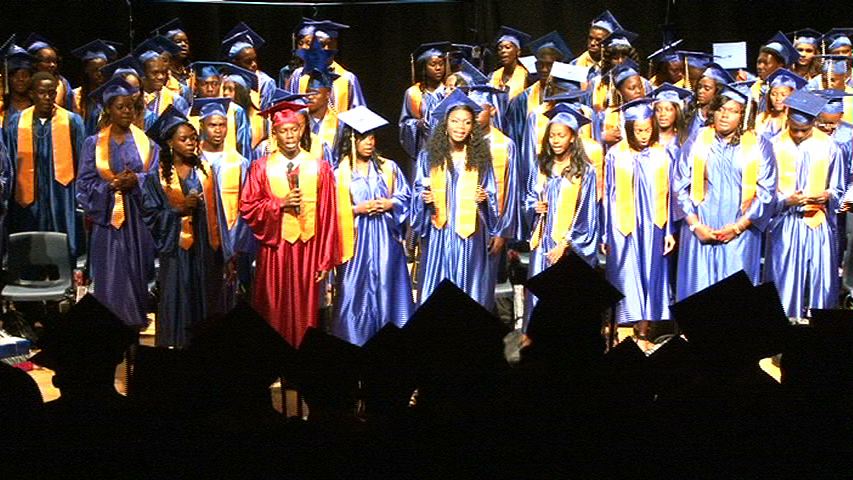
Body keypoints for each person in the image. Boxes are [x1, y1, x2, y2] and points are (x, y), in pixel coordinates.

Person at [239, 100, 340, 347]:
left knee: (305, 312)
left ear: (302, 129)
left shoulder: (319, 167)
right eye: (284, 130)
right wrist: (278, 204)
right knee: (273, 307)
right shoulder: (261, 168)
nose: (290, 135)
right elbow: (248, 207)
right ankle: (274, 360)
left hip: (308, 249)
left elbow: (328, 214)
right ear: (274, 133)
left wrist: (326, 258)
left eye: (294, 129)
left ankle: (300, 364)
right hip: (275, 248)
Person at [673, 82, 777, 300]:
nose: (724, 115)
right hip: (700, 229)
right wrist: (694, 225)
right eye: (720, 109)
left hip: (740, 232)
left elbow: (766, 192)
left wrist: (738, 227)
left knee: (735, 296)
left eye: (732, 111)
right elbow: (679, 183)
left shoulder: (760, 144)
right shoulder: (698, 138)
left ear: (744, 114)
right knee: (697, 294)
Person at [76, 76, 159, 328]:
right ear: (108, 110)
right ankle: (107, 318)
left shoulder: (147, 143)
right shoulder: (93, 143)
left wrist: (137, 181)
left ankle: (134, 317)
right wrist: (111, 185)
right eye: (120, 107)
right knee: (109, 267)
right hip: (107, 217)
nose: (126, 112)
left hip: (137, 216)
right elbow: (83, 184)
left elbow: (156, 179)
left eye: (130, 107)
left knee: (135, 266)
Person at [142, 106, 224, 347]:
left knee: (203, 300)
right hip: (175, 250)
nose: (191, 143)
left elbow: (217, 210)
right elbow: (150, 216)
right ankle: (175, 350)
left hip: (204, 249)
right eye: (184, 139)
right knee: (176, 298)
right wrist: (179, 209)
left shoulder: (205, 171)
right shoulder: (155, 178)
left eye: (193, 138)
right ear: (169, 143)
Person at [330, 106, 413, 346]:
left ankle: (391, 346)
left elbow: (405, 197)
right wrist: (357, 209)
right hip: (355, 243)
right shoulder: (339, 173)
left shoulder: (388, 168)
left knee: (388, 288)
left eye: (372, 137)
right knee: (354, 291)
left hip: (387, 240)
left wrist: (390, 203)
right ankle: (354, 343)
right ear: (351, 139)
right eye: (363, 137)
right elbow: (331, 211)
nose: (369, 142)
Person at [410, 89, 498, 308]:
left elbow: (492, 195)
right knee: (437, 289)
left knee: (469, 290)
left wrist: (485, 198)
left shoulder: (481, 157)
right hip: (439, 233)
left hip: (470, 236)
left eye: (467, 122)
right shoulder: (428, 156)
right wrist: (423, 198)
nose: (461, 127)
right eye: (455, 121)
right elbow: (416, 192)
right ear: (445, 124)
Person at [601, 98, 676, 347]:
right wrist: (605, 233)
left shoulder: (662, 154)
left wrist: (669, 231)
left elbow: (668, 196)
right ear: (629, 130)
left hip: (654, 226)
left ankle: (644, 332)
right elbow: (609, 196)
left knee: (650, 276)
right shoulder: (615, 155)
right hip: (624, 227)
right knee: (624, 278)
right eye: (638, 131)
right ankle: (622, 333)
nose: (644, 136)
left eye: (647, 130)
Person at [765, 90, 844, 318]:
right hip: (784, 222)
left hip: (817, 222)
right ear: (787, 118)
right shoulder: (772, 145)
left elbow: (838, 187)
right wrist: (785, 200)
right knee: (782, 279)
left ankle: (820, 336)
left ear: (814, 124)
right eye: (795, 129)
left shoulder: (830, 146)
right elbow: (764, 190)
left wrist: (827, 195)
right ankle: (780, 338)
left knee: (821, 280)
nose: (799, 134)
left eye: (805, 130)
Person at [523, 103, 599, 327]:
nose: (556, 140)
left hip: (567, 248)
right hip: (542, 244)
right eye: (552, 136)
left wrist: (565, 244)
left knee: (565, 302)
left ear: (573, 138)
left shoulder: (586, 171)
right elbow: (527, 197)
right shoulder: (541, 166)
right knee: (537, 298)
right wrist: (533, 207)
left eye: (561, 136)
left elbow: (587, 214)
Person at [4, 71, 85, 261]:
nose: (48, 98)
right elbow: (9, 165)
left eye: (52, 92)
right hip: (27, 197)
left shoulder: (73, 121)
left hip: (63, 194)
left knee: (64, 246)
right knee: (29, 246)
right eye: (42, 93)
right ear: (32, 94)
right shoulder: (17, 122)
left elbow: (82, 162)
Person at [193, 97, 255, 308]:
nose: (218, 130)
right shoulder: (192, 160)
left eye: (222, 125)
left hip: (231, 237)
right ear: (201, 126)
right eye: (212, 125)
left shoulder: (239, 162)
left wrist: (236, 241)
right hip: (199, 238)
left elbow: (246, 204)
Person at [468, 84, 522, 310]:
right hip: (464, 229)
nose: (475, 116)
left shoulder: (505, 145)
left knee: (484, 287)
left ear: (491, 110)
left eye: (479, 110)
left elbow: (511, 193)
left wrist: (502, 233)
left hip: (492, 227)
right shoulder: (462, 144)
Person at [285, 19, 365, 113]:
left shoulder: (347, 79)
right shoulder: (298, 75)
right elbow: (290, 112)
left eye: (325, 45)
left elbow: (359, 116)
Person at [187, 62, 252, 159]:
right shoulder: (189, 113)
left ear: (220, 84)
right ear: (196, 85)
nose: (210, 89)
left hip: (230, 167)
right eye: (204, 84)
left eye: (214, 84)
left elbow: (243, 146)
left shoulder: (236, 111)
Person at [399, 42, 450, 163]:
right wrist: (417, 124)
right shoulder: (412, 93)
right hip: (423, 148)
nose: (438, 68)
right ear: (424, 68)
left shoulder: (449, 91)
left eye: (441, 64)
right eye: (433, 65)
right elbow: (404, 124)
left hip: (448, 148)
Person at [297, 40, 344, 165]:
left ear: (327, 95)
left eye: (315, 93)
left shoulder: (340, 124)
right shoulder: (298, 121)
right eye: (307, 92)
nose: (309, 97)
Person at [220, 22, 276, 110]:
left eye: (255, 59)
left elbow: (265, 112)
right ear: (235, 62)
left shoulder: (265, 82)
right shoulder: (223, 79)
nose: (254, 64)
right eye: (248, 61)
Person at [70, 39, 119, 136]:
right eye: (95, 70)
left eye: (103, 69)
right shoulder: (75, 95)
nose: (99, 74)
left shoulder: (112, 95)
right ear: (86, 70)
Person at [134, 38, 189, 117]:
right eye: (155, 73)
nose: (161, 77)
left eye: (163, 72)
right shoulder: (133, 100)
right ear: (142, 74)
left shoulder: (176, 101)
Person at [100, 55, 158, 130]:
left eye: (137, 88)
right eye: (128, 88)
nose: (134, 94)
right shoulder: (105, 117)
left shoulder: (149, 118)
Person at [220, 62, 268, 151]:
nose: (225, 93)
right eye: (224, 89)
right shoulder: (223, 116)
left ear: (242, 92)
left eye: (230, 89)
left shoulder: (261, 118)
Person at [749, 32, 797, 113]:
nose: (760, 67)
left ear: (780, 65)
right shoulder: (755, 87)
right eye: (759, 62)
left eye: (766, 63)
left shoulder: (793, 88)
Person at [684, 63, 734, 141]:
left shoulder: (720, 116)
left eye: (707, 88)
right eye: (699, 87)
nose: (700, 91)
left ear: (717, 91)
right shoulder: (691, 111)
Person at [23, 34, 73, 110]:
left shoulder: (62, 83)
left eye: (54, 61)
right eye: (48, 61)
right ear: (35, 63)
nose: (52, 65)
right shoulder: (24, 83)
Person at [755, 69, 806, 139]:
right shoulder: (761, 118)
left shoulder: (798, 122)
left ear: (792, 96)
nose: (778, 98)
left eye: (783, 95)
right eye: (773, 94)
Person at [570, 9, 623, 74]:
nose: (592, 43)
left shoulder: (616, 66)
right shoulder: (574, 65)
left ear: (609, 42)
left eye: (598, 40)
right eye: (590, 38)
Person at [488, 26, 531, 100]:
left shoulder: (528, 76)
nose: (503, 51)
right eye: (499, 49)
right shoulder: (493, 75)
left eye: (507, 47)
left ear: (518, 51)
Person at [151, 19, 193, 93]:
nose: (184, 45)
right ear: (167, 46)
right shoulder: (162, 73)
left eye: (186, 42)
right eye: (178, 42)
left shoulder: (190, 72)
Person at [649, 82, 692, 149]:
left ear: (676, 112)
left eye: (668, 109)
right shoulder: (647, 138)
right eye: (658, 110)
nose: (662, 114)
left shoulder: (684, 140)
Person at [1, 45, 34, 129]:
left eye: (25, 75)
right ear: (7, 78)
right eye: (15, 76)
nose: (20, 79)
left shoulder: (39, 107)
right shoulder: (2, 109)